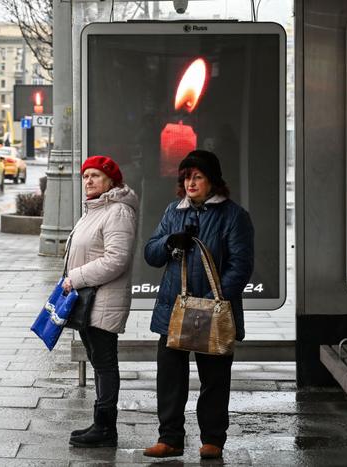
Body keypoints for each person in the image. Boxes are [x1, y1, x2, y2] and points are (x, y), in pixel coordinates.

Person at [142, 150, 254, 460]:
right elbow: (150, 254)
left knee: (214, 378)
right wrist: (169, 242)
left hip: (212, 312)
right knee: (170, 377)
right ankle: (170, 438)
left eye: (198, 176)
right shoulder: (173, 211)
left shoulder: (233, 216)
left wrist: (211, 301)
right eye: (186, 177)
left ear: (213, 182)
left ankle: (213, 439)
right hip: (174, 310)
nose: (190, 182)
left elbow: (240, 266)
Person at [63, 155, 138, 448]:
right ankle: (100, 424)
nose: (89, 181)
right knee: (98, 361)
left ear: (111, 181)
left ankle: (106, 428)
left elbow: (116, 259)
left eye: (95, 176)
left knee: (105, 363)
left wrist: (75, 277)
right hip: (88, 299)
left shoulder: (118, 211)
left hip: (103, 299)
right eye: (86, 176)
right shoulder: (93, 209)